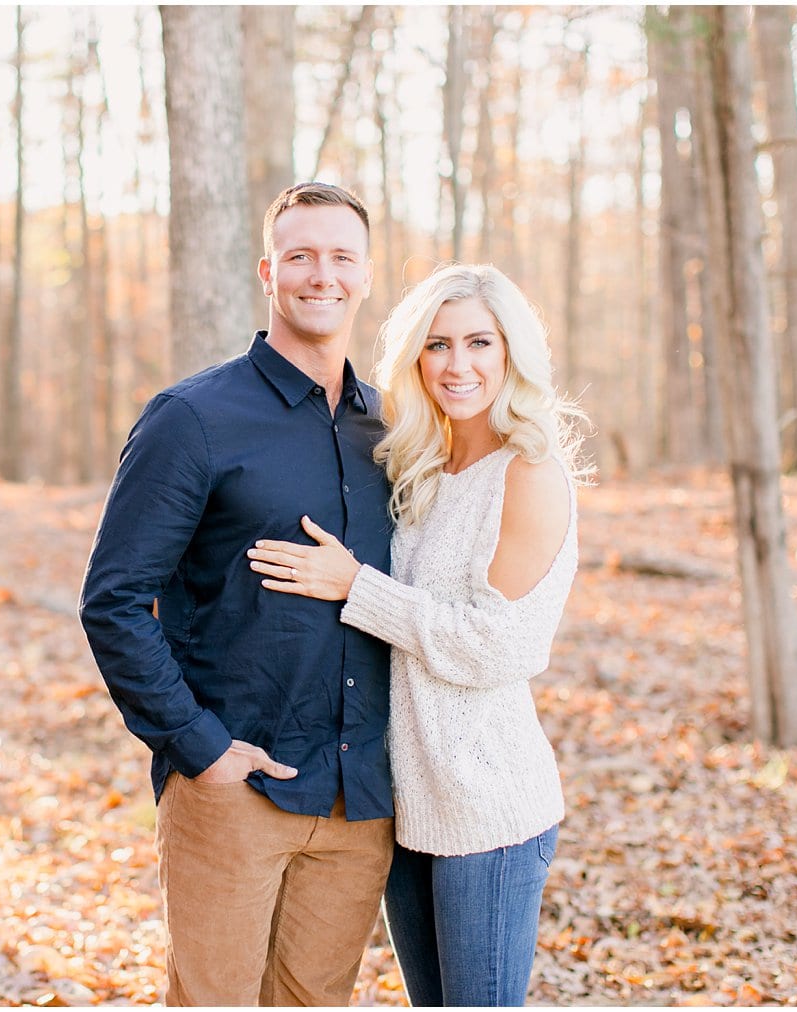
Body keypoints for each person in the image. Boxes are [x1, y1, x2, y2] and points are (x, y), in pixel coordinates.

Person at [78, 182, 397, 1007]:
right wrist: (200, 748)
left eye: (339, 257)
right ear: (268, 271)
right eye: (299, 256)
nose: (319, 275)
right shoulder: (193, 417)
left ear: (365, 275)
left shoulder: (392, 430)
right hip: (237, 789)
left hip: (358, 801)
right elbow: (114, 599)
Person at [246, 262, 589, 1007]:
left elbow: (502, 647)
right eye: (436, 345)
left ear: (510, 353)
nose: (457, 365)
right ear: (413, 358)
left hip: (489, 808)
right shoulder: (424, 469)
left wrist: (355, 588)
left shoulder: (525, 472)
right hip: (412, 804)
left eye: (478, 343)